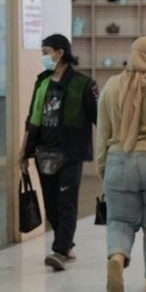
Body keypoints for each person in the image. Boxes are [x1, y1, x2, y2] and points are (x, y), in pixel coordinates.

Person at [96, 37, 146, 292]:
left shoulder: (112, 85)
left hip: (119, 159)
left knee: (119, 220)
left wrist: (102, 165)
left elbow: (102, 131)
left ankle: (117, 258)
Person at [22, 34, 97, 272]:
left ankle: (60, 249)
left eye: (46, 51)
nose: (44, 57)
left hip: (71, 152)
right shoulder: (42, 82)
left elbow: (98, 119)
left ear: (60, 53)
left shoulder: (83, 85)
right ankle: (65, 242)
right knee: (51, 201)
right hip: (44, 150)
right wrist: (25, 152)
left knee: (67, 202)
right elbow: (33, 119)